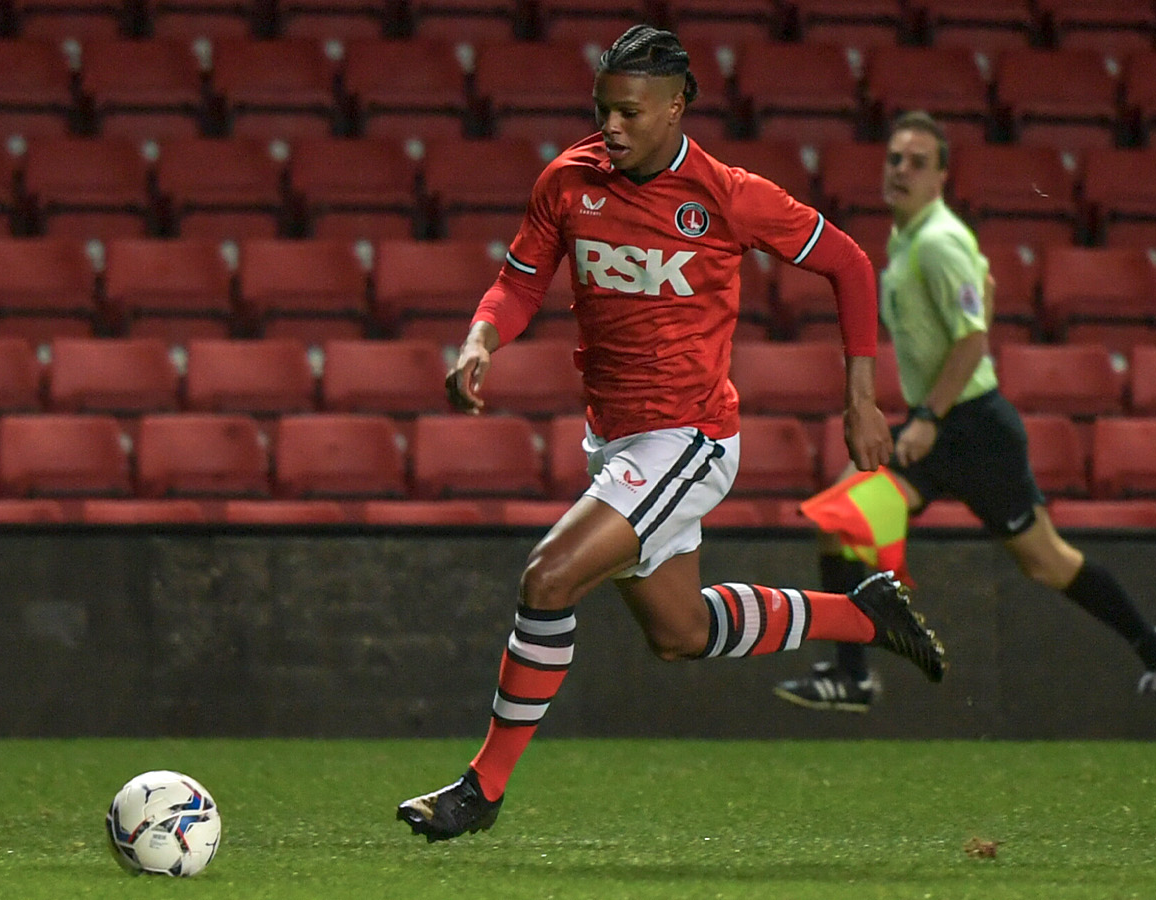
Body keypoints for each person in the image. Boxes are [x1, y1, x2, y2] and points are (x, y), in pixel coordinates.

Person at [396, 25, 947, 843]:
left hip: (688, 439)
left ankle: (483, 787)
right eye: (602, 109)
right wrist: (481, 338)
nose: (611, 127)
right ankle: (864, 616)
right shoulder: (568, 181)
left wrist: (861, 395)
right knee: (680, 634)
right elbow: (518, 281)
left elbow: (850, 264)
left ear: (677, 106)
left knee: (547, 579)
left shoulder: (726, 194)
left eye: (628, 112)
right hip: (616, 442)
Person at [772, 111, 1156, 734]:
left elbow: (971, 342)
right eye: (894, 158)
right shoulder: (912, 240)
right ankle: (851, 673)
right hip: (951, 426)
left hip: (973, 429)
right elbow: (982, 300)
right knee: (842, 518)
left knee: (1045, 562)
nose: (901, 170)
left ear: (942, 174)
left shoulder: (938, 241)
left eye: (917, 161)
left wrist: (926, 418)